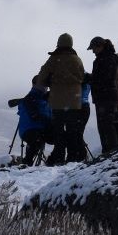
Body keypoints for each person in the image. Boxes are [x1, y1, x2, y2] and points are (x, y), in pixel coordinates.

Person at [36, 33, 86, 165]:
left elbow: (41, 78)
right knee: (72, 132)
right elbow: (82, 77)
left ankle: (59, 158)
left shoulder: (53, 59)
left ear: (59, 43)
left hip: (57, 102)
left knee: (58, 131)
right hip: (74, 102)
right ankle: (72, 158)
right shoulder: (77, 59)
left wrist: (51, 81)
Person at [89, 36, 118, 154]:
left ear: (100, 46)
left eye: (94, 48)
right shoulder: (108, 58)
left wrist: (91, 79)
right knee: (106, 126)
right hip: (106, 97)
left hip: (106, 97)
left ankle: (111, 152)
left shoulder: (107, 59)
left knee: (107, 126)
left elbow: (106, 78)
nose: (93, 51)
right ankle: (109, 152)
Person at [17, 76, 52, 166]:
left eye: (46, 85)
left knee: (61, 136)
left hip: (41, 129)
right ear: (34, 85)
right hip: (30, 130)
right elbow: (35, 116)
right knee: (37, 139)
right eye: (43, 84)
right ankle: (27, 162)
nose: (45, 87)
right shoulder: (30, 98)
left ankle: (55, 159)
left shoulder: (45, 98)